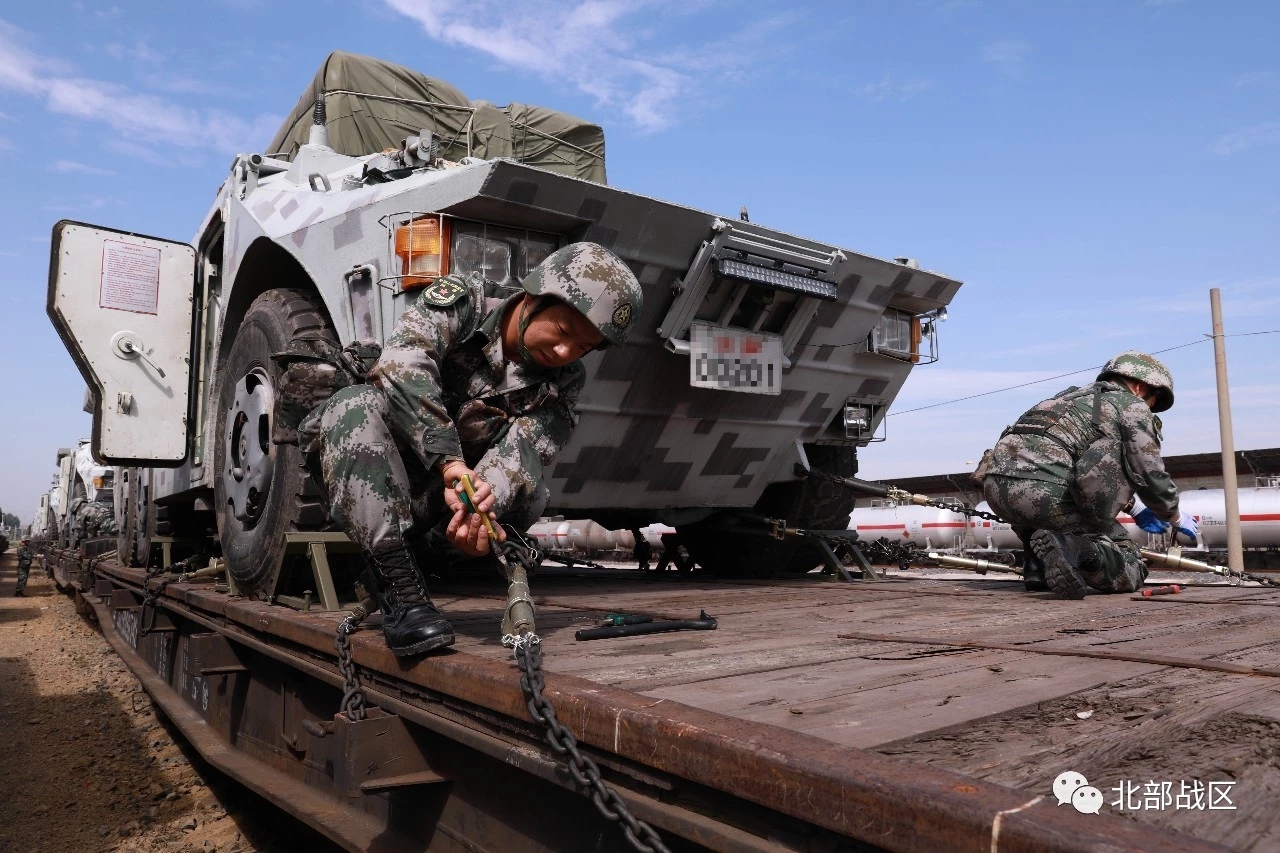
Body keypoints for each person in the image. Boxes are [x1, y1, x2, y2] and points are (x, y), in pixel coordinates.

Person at [300, 242, 643, 656]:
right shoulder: (464, 303)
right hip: (363, 466)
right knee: (354, 405)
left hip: (440, 495)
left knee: (532, 492)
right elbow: (403, 362)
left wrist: (485, 499)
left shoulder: (566, 381)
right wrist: (449, 462)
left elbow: (528, 449)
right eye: (565, 332)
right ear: (534, 297)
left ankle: (430, 556)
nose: (565, 353)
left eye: (584, 347)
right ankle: (400, 591)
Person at [973, 351, 1198, 599]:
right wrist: (1173, 515)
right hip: (1049, 496)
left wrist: (1133, 508)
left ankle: (1036, 567)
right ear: (1139, 386)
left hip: (995, 490)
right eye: (1154, 399)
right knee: (1130, 562)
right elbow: (1147, 468)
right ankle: (1075, 550)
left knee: (1043, 523)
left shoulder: (1062, 399)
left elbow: (1075, 464)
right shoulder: (1131, 405)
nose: (1151, 406)